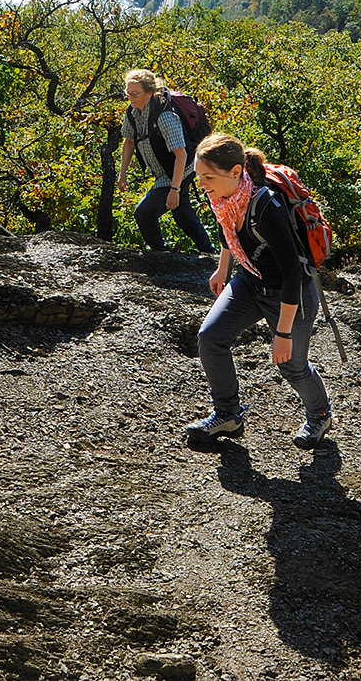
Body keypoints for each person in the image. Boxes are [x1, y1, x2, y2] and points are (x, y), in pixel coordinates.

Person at [185, 132, 334, 449]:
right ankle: (228, 414)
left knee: (290, 366)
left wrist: (281, 334)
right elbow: (229, 232)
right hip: (251, 280)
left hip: (289, 294)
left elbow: (292, 273)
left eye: (208, 176)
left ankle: (320, 414)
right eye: (199, 176)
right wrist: (223, 268)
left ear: (236, 172)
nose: (202, 184)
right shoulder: (224, 196)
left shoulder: (265, 205)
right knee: (210, 338)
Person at [118, 68, 216, 254]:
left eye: (135, 94)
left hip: (180, 168)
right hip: (165, 170)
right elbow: (129, 141)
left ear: (149, 93)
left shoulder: (165, 117)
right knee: (181, 212)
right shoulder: (133, 111)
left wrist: (174, 189)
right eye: (128, 92)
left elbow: (181, 155)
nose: (130, 97)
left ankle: (160, 255)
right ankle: (208, 252)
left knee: (144, 213)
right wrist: (122, 173)